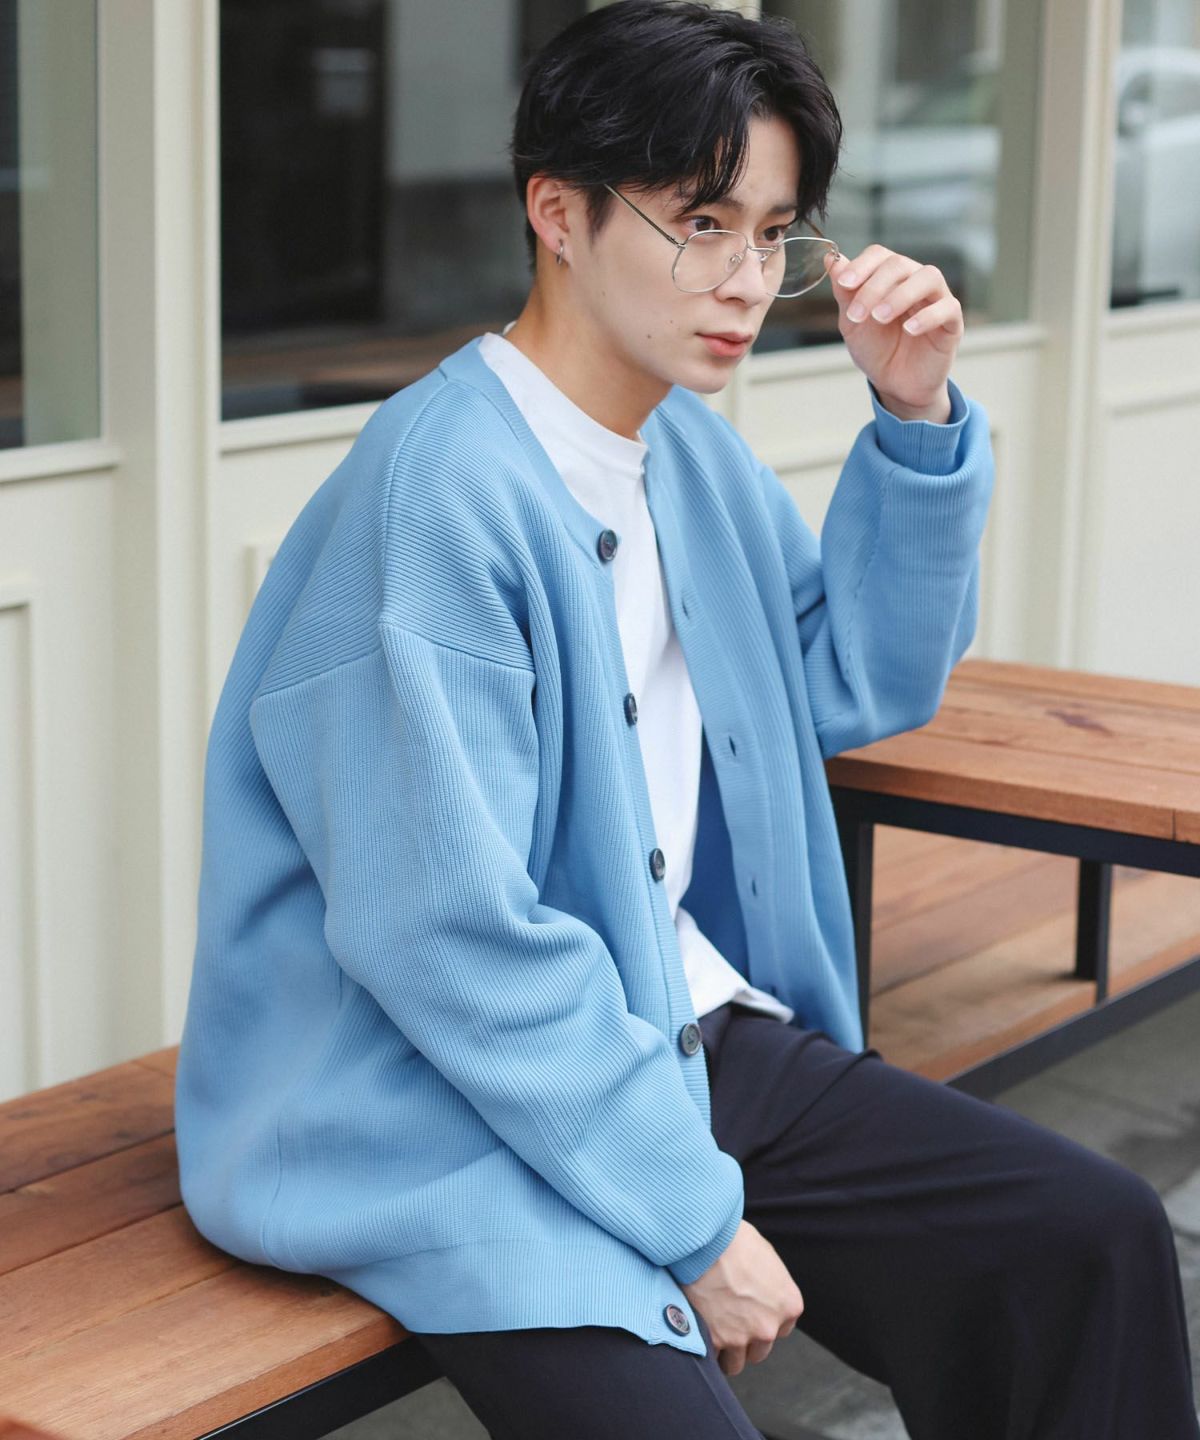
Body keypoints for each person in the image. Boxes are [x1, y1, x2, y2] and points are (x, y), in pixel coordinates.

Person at [173, 3, 1199, 1436]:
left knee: (1087, 1242)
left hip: (678, 1040)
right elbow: (446, 937)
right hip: (435, 1106)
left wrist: (913, 417)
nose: (747, 279)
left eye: (773, 234)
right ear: (558, 214)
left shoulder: (687, 462)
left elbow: (850, 683)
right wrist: (698, 1226)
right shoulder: (439, 499)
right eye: (702, 223)